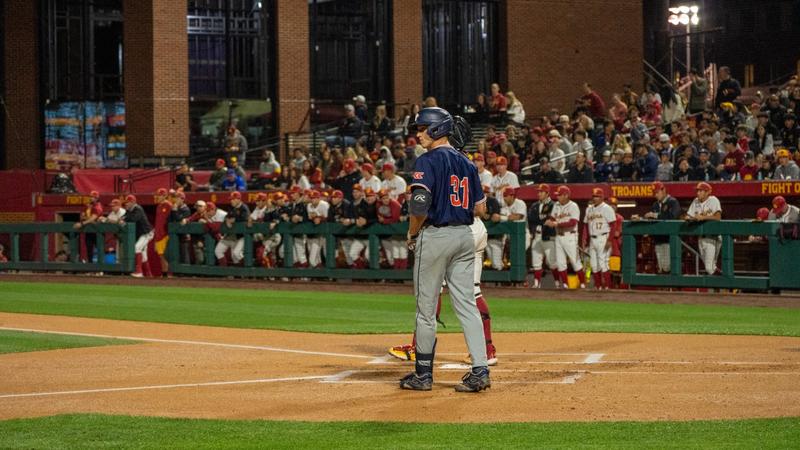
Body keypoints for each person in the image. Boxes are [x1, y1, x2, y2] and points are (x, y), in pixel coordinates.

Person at [400, 107, 490, 393]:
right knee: (466, 306)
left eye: (422, 128)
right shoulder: (467, 162)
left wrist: (413, 232)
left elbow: (419, 205)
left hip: (436, 236)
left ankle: (423, 375)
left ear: (437, 129)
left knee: (425, 309)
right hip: (465, 236)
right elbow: (481, 208)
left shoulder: (427, 160)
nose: (418, 133)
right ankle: (480, 370)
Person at [634, 182, 682, 274]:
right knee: (661, 267)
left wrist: (655, 215)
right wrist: (641, 218)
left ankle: (673, 287)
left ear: (663, 190)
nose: (655, 195)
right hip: (658, 239)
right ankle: (665, 287)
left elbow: (672, 216)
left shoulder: (672, 202)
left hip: (670, 239)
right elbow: (652, 219)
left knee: (668, 266)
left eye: (657, 192)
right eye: (654, 193)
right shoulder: (655, 205)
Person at [549, 186, 586, 289]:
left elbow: (572, 223)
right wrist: (550, 221)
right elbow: (552, 217)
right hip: (558, 236)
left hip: (570, 236)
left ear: (566, 195)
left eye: (560, 195)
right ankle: (565, 284)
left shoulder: (573, 206)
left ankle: (582, 284)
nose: (558, 197)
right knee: (560, 263)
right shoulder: (556, 205)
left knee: (575, 262)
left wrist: (556, 224)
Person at [581, 188, 616, 290]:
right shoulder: (589, 209)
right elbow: (585, 226)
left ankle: (608, 288)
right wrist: (584, 239)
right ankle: (598, 286)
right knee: (593, 265)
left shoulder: (607, 208)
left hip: (603, 237)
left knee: (603, 264)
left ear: (602, 197)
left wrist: (610, 240)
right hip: (593, 239)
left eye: (597, 196)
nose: (595, 198)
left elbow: (613, 225)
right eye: (594, 196)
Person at [686, 182, 722, 275]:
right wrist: (689, 218)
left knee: (709, 268)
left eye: (701, 191)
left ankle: (727, 284)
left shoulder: (713, 200)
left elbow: (718, 217)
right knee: (711, 267)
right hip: (701, 237)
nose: (698, 193)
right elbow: (689, 216)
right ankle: (722, 286)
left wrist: (703, 217)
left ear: (707, 192)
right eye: (697, 191)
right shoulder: (695, 201)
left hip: (712, 236)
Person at [527, 184, 558, 288]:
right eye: (538, 191)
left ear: (547, 193)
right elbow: (531, 219)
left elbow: (551, 219)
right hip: (537, 236)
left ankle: (557, 283)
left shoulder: (553, 205)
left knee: (552, 262)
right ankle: (536, 284)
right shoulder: (535, 205)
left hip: (549, 236)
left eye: (541, 192)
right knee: (536, 261)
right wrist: (542, 222)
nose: (539, 193)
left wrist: (541, 222)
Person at [120, 195, 153, 278]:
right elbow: (123, 217)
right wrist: (123, 219)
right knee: (143, 254)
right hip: (142, 234)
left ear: (133, 202)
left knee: (136, 248)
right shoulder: (129, 210)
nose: (126, 204)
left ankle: (139, 272)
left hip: (146, 233)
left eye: (128, 202)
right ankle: (149, 274)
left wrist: (124, 219)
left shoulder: (138, 208)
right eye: (126, 202)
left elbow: (133, 219)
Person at [215, 191, 250, 266]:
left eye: (233, 199)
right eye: (231, 199)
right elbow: (227, 216)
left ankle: (248, 270)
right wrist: (228, 220)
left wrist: (234, 220)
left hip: (243, 236)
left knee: (236, 254)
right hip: (234, 235)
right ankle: (239, 274)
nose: (231, 201)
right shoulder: (232, 208)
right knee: (234, 256)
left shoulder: (244, 207)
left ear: (238, 199)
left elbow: (244, 218)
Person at [73, 191, 103, 263]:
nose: (91, 198)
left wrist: (82, 223)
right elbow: (82, 216)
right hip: (89, 230)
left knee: (99, 248)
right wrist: (86, 219)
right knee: (89, 248)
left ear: (97, 198)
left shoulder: (98, 206)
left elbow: (93, 218)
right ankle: (90, 266)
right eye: (91, 197)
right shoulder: (88, 206)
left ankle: (101, 268)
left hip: (97, 231)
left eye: (93, 197)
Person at [306, 191, 330, 268]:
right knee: (316, 258)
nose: (313, 200)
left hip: (325, 234)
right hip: (313, 234)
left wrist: (320, 218)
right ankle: (320, 275)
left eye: (315, 198)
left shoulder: (324, 205)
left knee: (326, 255)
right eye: (311, 198)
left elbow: (329, 218)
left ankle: (328, 274)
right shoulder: (309, 206)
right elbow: (310, 218)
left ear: (319, 198)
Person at [152, 188, 173, 277]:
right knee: (160, 255)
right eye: (157, 195)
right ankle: (164, 273)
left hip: (165, 234)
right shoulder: (159, 206)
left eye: (159, 195)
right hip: (158, 233)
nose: (157, 197)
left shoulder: (168, 205)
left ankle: (169, 273)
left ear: (165, 196)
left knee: (165, 255)